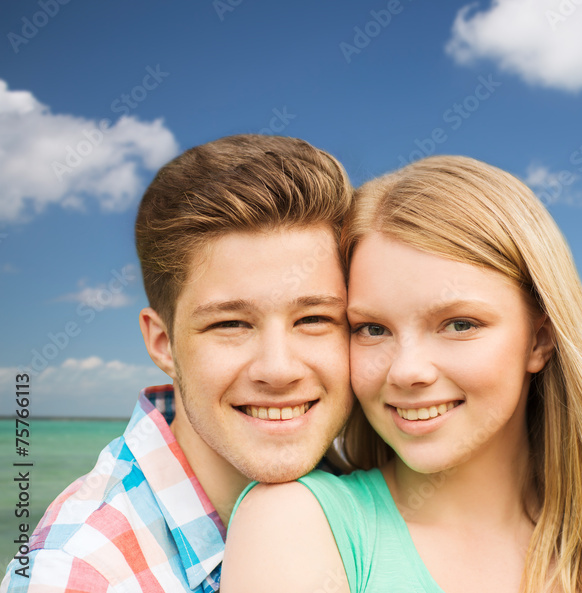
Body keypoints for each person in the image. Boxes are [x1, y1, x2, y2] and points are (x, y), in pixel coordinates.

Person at [223, 155, 582, 592]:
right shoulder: (299, 525)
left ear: (539, 339)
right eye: (372, 329)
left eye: (459, 324)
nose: (408, 370)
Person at [1, 135, 355, 592]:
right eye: (231, 324)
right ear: (163, 343)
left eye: (314, 318)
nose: (279, 368)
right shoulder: (80, 574)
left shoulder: (368, 494)